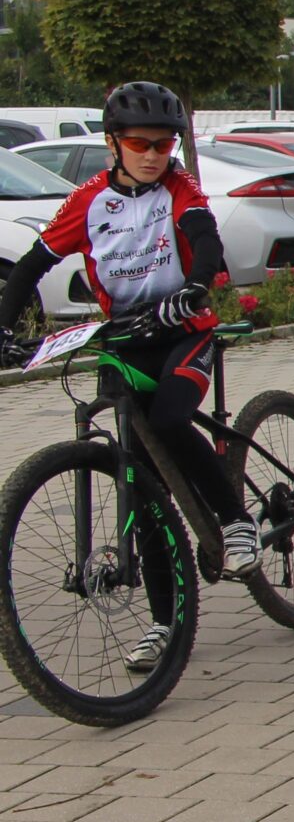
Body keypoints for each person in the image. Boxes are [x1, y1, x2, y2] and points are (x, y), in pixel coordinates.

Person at [0, 82, 260, 669]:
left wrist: (198, 286)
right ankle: (164, 624)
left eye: (164, 144)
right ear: (113, 143)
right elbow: (32, 265)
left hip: (184, 330)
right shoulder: (89, 199)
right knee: (140, 487)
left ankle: (236, 520)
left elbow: (206, 241)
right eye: (140, 144)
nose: (153, 155)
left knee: (168, 420)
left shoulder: (180, 188)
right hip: (124, 341)